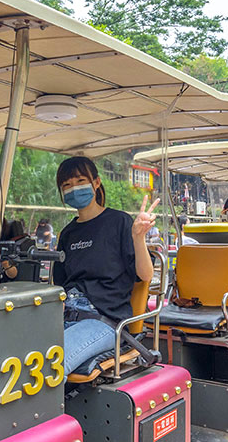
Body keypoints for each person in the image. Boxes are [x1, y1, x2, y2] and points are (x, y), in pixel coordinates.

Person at [52, 156, 157, 374]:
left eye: (80, 181)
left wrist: (139, 238)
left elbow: (145, 275)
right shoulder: (68, 233)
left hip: (103, 321)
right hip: (66, 316)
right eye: (67, 185)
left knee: (50, 367)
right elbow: (60, 286)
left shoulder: (119, 222)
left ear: (96, 182)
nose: (74, 189)